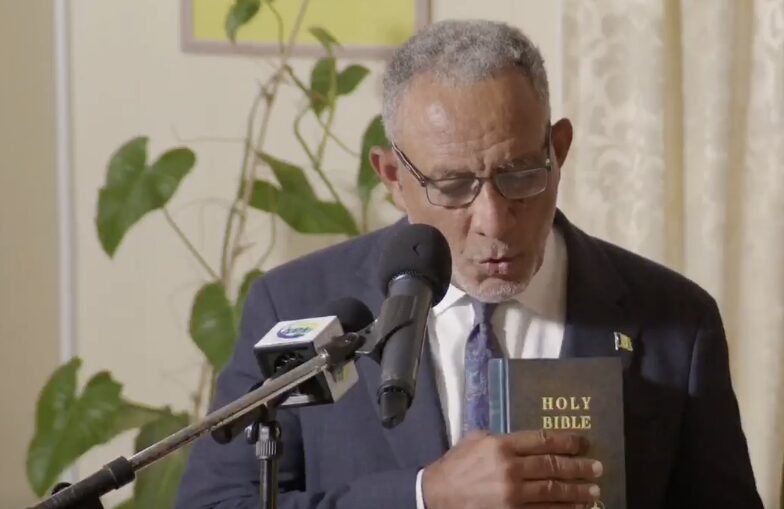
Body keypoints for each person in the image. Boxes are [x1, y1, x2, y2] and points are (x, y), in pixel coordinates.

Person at [176, 19, 762, 509]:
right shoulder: (293, 302)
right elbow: (216, 503)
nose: (494, 222)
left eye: (520, 176)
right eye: (454, 186)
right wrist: (422, 497)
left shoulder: (676, 321)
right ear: (393, 177)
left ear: (558, 150)